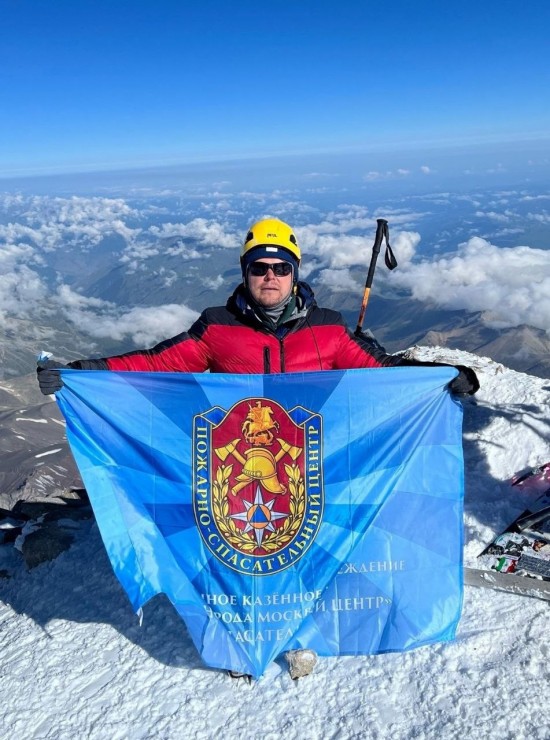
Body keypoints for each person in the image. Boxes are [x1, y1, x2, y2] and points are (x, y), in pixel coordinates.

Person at [37, 217, 479, 679]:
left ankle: (306, 631)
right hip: (245, 467)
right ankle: (247, 635)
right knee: (251, 549)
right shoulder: (217, 328)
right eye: (259, 267)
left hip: (312, 462)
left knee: (310, 543)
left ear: (296, 274)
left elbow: (380, 369)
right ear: (245, 273)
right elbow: (156, 364)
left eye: (281, 268)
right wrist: (82, 372)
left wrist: (442, 377)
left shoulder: (328, 329)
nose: (270, 276)